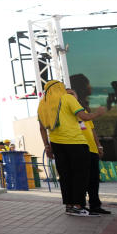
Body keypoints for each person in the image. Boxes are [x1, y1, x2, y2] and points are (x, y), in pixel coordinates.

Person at [38, 79, 105, 217]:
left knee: (65, 175)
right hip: (75, 142)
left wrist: (47, 145)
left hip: (56, 144)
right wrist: (98, 113)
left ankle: (69, 206)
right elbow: (84, 116)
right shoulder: (67, 98)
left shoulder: (42, 104)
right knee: (80, 175)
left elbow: (42, 128)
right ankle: (78, 206)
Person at [69, 76, 111, 216]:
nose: (71, 96)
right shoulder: (67, 113)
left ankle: (95, 205)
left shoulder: (83, 110)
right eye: (68, 94)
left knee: (94, 180)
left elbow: (92, 130)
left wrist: (99, 146)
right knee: (82, 179)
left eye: (73, 94)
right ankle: (79, 206)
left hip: (92, 149)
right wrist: (98, 113)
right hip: (79, 149)